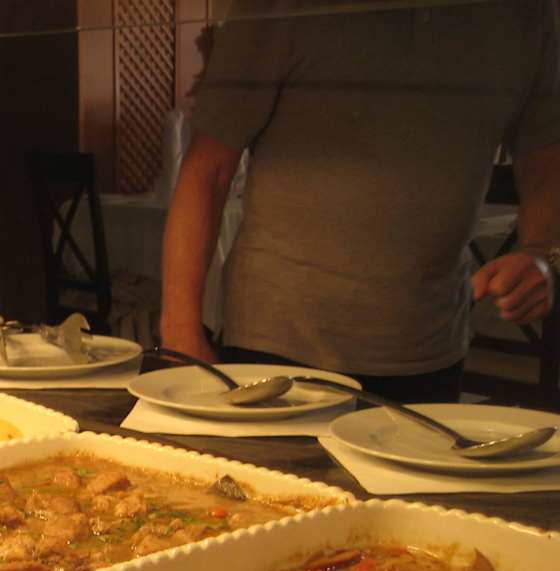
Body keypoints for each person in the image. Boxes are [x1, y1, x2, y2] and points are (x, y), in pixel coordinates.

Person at [160, 0, 560, 402]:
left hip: (431, 343)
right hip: (276, 341)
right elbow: (209, 169)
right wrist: (180, 331)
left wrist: (542, 253)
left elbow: (545, 159)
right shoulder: (281, 8)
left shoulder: (527, 13)